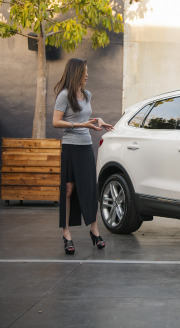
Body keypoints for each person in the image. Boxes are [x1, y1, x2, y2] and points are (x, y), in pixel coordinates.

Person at [52, 58, 114, 255]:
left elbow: (84, 118)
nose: (87, 75)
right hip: (70, 147)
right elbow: (56, 122)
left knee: (89, 189)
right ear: (75, 73)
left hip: (86, 146)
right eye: (84, 72)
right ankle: (66, 233)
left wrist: (97, 120)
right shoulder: (64, 96)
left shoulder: (87, 94)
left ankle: (94, 231)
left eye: (87, 72)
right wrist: (80, 126)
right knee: (69, 189)